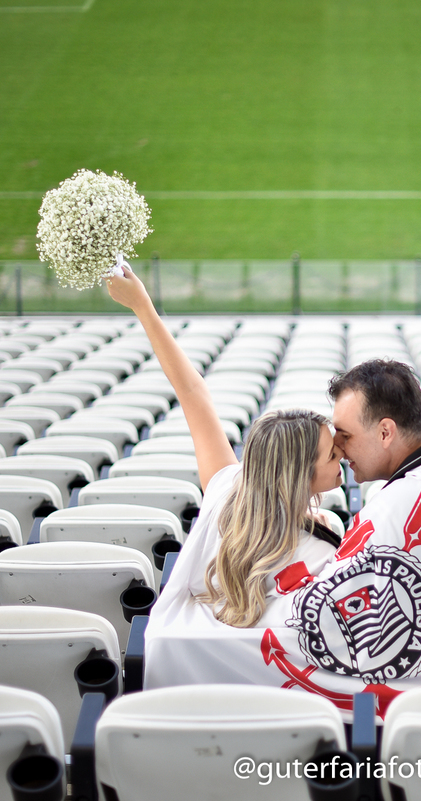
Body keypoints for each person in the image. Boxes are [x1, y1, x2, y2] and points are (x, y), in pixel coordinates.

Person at [141, 249, 421, 718]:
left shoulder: (379, 519)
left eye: (344, 436)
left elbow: (320, 631)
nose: (341, 451)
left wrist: (189, 642)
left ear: (385, 431)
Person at [105, 266, 345, 629]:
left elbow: (192, 393)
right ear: (299, 475)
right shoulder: (324, 550)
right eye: (332, 455)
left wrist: (142, 306)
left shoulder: (225, 494)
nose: (342, 453)